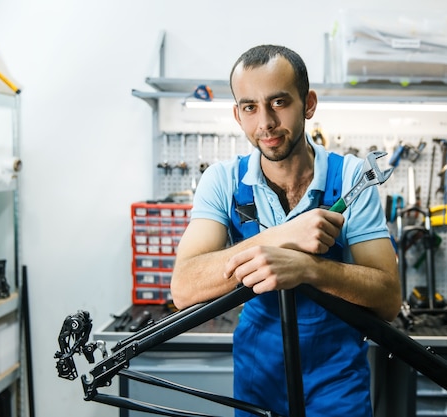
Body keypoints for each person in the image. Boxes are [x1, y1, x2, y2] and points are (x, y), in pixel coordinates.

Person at [171, 44, 401, 417]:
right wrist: (279, 237)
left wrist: (312, 270)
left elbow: (388, 299)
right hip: (258, 377)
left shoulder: (352, 177)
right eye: (250, 107)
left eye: (279, 102)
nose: (265, 122)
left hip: (336, 377)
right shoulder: (223, 181)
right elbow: (184, 287)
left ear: (308, 104)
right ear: (237, 114)